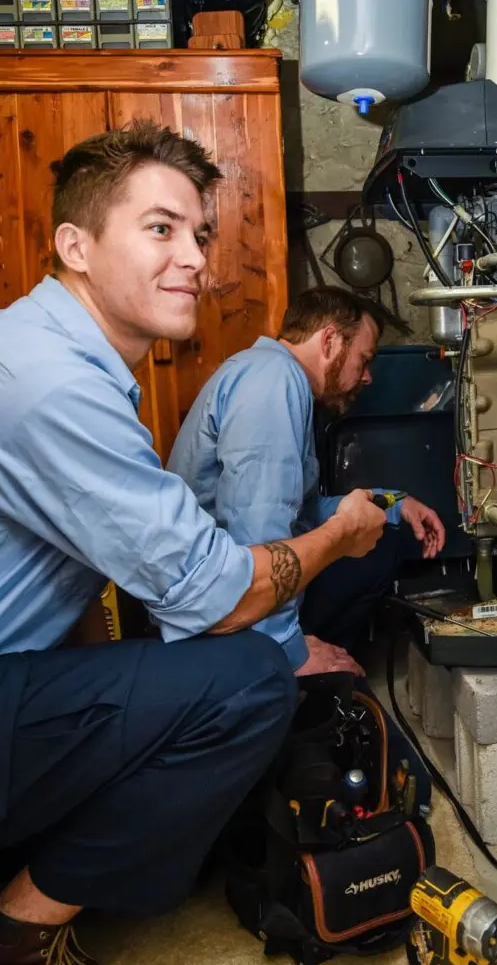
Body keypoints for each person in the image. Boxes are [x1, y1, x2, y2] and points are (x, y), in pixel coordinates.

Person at [0, 122, 386, 965]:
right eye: (160, 229)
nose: (196, 259)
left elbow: (86, 578)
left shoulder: (54, 357)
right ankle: (16, 952)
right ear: (75, 247)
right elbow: (224, 591)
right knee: (248, 680)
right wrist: (344, 538)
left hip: (10, 673)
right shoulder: (53, 382)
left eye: (200, 234)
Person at [167, 287, 446, 806]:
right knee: (365, 569)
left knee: (379, 546)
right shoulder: (274, 382)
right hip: (216, 611)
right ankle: (298, 699)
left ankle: (314, 687)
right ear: (329, 340)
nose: (366, 376)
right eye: (363, 359)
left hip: (229, 587)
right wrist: (291, 650)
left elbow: (303, 511)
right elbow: (261, 529)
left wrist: (394, 505)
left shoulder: (271, 375)